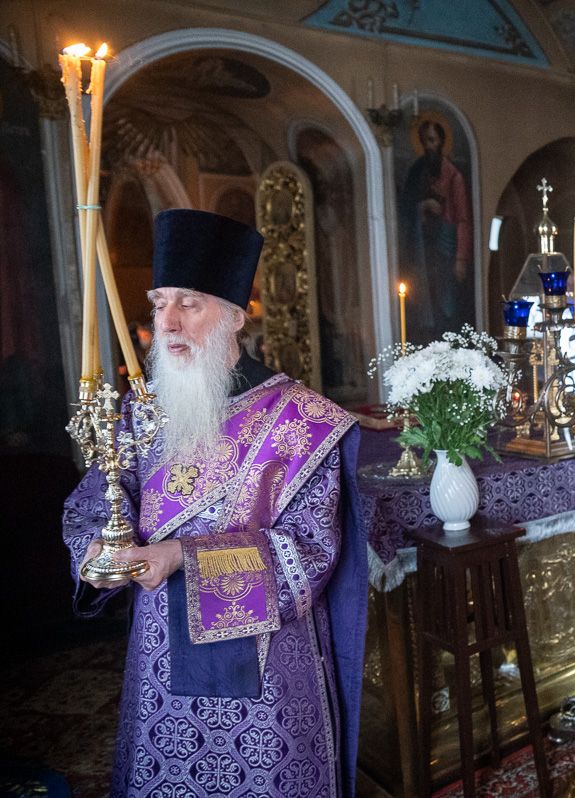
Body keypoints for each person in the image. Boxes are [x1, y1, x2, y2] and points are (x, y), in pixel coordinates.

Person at [62, 209, 367, 798]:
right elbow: (97, 499)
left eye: (189, 303)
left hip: (268, 671)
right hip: (160, 663)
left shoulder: (302, 421)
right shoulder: (139, 411)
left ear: (234, 315)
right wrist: (96, 549)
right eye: (159, 303)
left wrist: (183, 556)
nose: (167, 322)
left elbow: (309, 554)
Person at [398, 118, 473, 338]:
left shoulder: (453, 175)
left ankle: (448, 338)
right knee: (424, 295)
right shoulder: (416, 171)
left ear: (441, 141)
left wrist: (460, 258)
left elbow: (463, 219)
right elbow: (405, 207)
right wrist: (423, 206)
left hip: (446, 246)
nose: (429, 146)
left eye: (432, 140)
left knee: (446, 299)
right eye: (425, 141)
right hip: (422, 248)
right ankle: (429, 337)